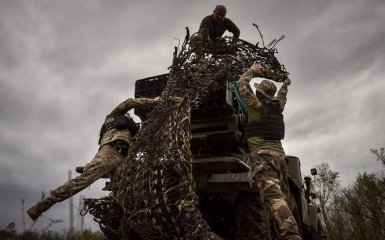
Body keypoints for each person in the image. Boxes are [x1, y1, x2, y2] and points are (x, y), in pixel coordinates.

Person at [27, 97, 161, 221]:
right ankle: (44, 204)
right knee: (83, 181)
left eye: (130, 116)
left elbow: (143, 142)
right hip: (110, 151)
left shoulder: (130, 130)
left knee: (124, 196)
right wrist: (153, 101)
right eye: (127, 115)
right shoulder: (113, 116)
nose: (129, 115)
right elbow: (129, 102)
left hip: (123, 160)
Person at [236, 63, 302, 240]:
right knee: (284, 201)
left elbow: (242, 83)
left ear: (260, 93)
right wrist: (285, 84)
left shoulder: (255, 105)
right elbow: (282, 95)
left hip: (262, 157)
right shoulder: (277, 106)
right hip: (280, 159)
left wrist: (252, 71)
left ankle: (292, 236)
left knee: (274, 199)